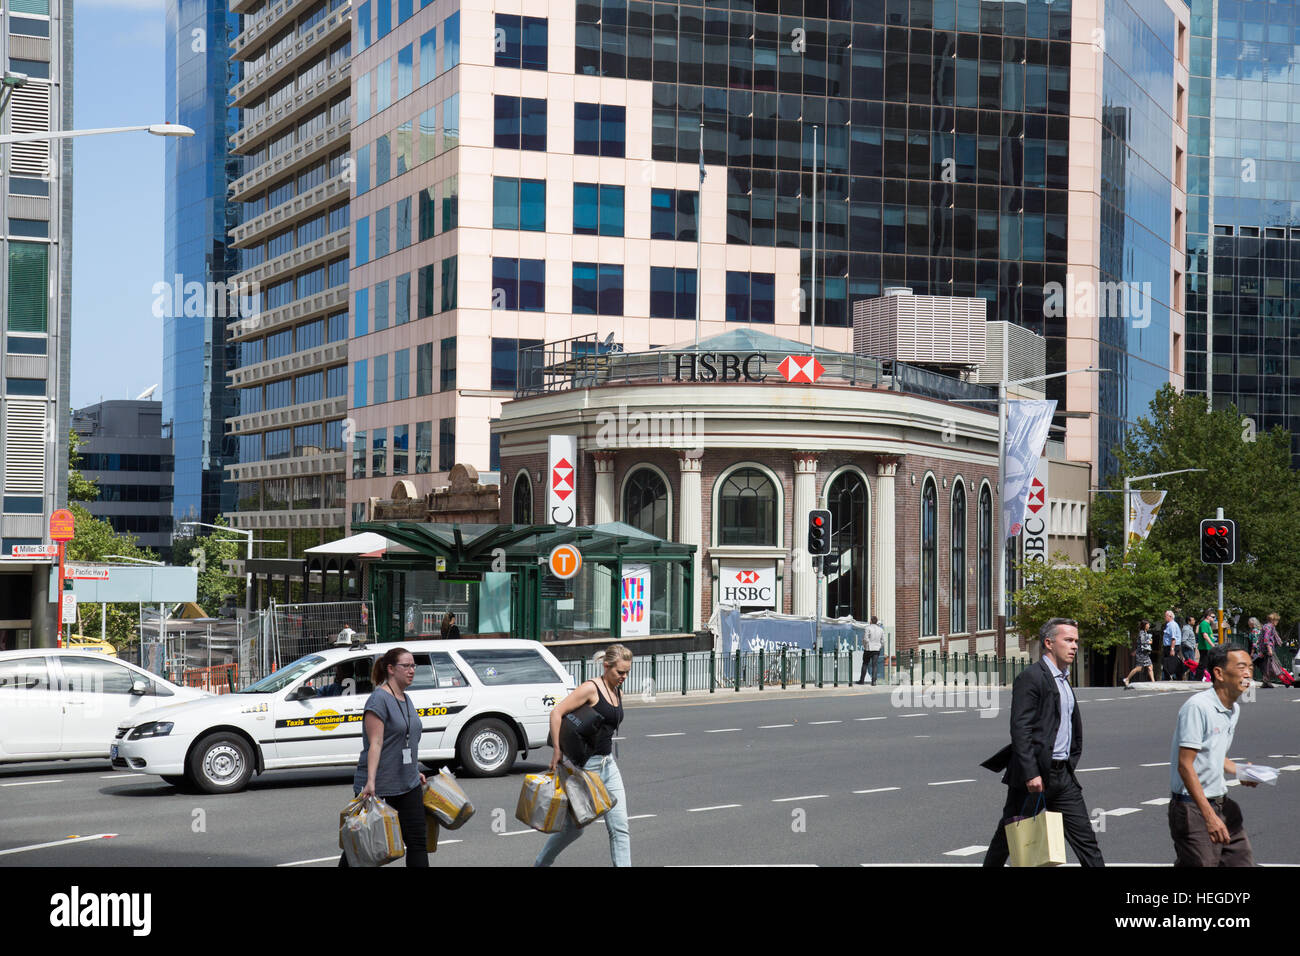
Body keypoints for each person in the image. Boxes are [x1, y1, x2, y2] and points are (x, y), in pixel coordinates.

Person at [980, 618, 1104, 867]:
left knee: (1086, 840)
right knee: (1009, 835)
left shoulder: (1063, 679)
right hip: (1033, 777)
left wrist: (1069, 762)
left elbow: (1068, 726)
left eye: (1076, 641)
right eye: (1068, 640)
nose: (1074, 646)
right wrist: (1031, 774)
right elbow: (1021, 728)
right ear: (1049, 643)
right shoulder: (1032, 677)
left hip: (1062, 776)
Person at [535, 644, 632, 867]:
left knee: (620, 827)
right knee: (574, 829)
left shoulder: (618, 691)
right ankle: (541, 862)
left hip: (609, 766)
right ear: (607, 666)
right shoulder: (590, 688)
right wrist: (558, 750)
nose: (624, 676)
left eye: (627, 672)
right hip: (588, 769)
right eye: (620, 672)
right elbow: (557, 712)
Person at [1167, 645, 1259, 866]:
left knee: (1242, 861)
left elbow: (1215, 757)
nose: (1248, 673)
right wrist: (1209, 816)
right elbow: (1185, 765)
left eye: (1250, 667)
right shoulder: (1198, 707)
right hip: (1193, 808)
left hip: (1222, 805)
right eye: (1241, 667)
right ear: (1218, 673)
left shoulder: (1233, 709)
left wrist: (1241, 771)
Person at [339, 647, 428, 867]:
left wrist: (414, 770)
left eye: (413, 666)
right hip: (379, 785)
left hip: (407, 782)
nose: (411, 670)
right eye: (406, 666)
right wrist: (370, 782)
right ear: (390, 669)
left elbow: (404, 740)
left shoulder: (406, 699)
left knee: (417, 841)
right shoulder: (378, 700)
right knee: (364, 844)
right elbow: (375, 743)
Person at [1122, 619, 1154, 689]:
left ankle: (1153, 682)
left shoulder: (1145, 633)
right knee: (1138, 668)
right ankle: (1127, 679)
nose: (1149, 625)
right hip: (1141, 654)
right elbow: (1143, 642)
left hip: (1145, 653)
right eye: (1148, 624)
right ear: (1145, 625)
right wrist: (1150, 641)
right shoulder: (1142, 633)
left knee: (1150, 667)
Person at [1258, 612, 1284, 688]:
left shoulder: (1268, 626)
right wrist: (1270, 650)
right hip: (1267, 649)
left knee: (1267, 665)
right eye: (1277, 620)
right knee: (1271, 665)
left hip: (1265, 649)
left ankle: (1266, 681)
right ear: (1273, 620)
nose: (1277, 622)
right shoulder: (1269, 627)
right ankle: (1267, 681)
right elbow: (1266, 640)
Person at [858, 616, 884, 686]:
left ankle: (862, 680)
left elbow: (866, 638)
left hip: (868, 648)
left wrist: (865, 645)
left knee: (865, 663)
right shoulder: (880, 629)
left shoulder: (868, 628)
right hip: (876, 649)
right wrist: (879, 647)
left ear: (871, 621)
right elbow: (883, 641)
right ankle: (873, 682)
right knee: (874, 665)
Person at [1160, 609, 1182, 680]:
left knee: (1170, 663)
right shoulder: (1169, 625)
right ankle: (1169, 677)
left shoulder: (1172, 625)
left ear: (1170, 616)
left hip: (1171, 646)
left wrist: (1172, 649)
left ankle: (1173, 677)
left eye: (1166, 616)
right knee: (1168, 662)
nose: (1164, 617)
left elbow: (1173, 638)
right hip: (1169, 646)